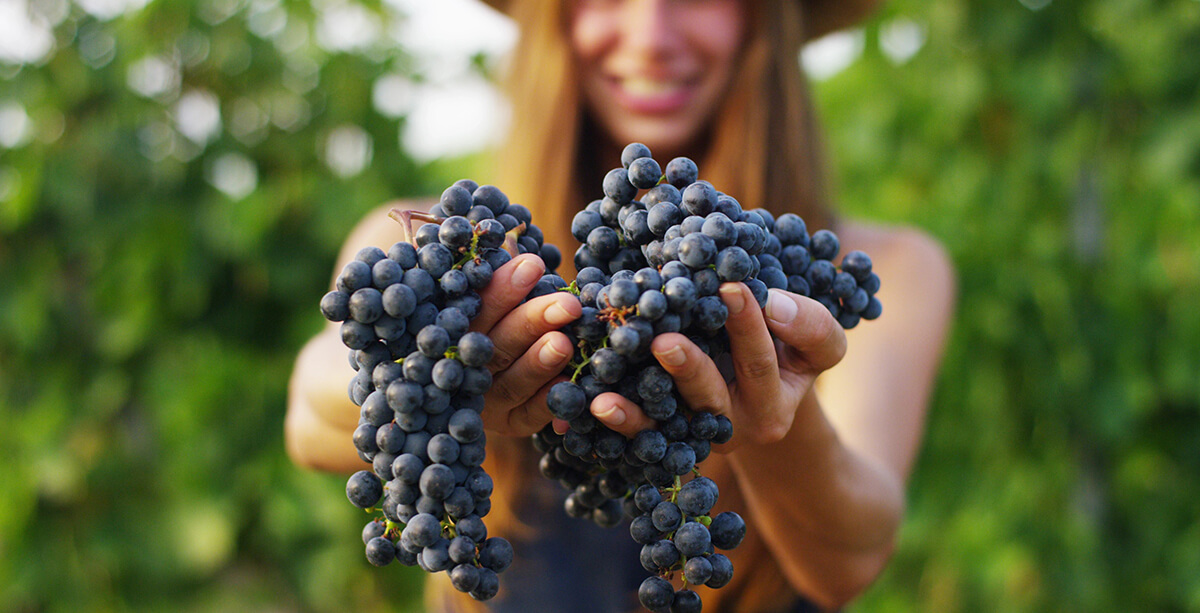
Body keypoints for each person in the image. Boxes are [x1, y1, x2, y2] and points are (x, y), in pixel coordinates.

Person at [285, 0, 956, 611]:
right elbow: (310, 415)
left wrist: (772, 413)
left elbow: (848, 562)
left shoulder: (875, 269)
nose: (651, 35)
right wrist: (448, 370)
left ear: (764, 18)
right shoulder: (433, 245)